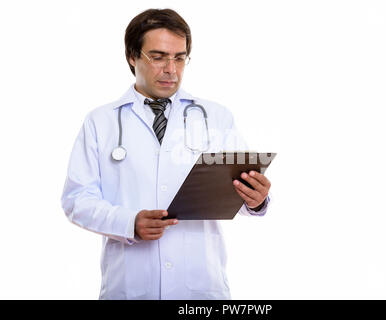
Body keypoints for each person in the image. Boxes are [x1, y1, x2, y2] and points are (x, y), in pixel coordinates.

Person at [61, 8, 272, 300]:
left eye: (179, 57)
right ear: (132, 57)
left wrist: (256, 200)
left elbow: (237, 190)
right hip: (129, 287)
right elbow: (76, 200)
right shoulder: (100, 122)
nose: (171, 69)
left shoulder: (216, 116)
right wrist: (128, 222)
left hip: (200, 289)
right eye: (158, 57)